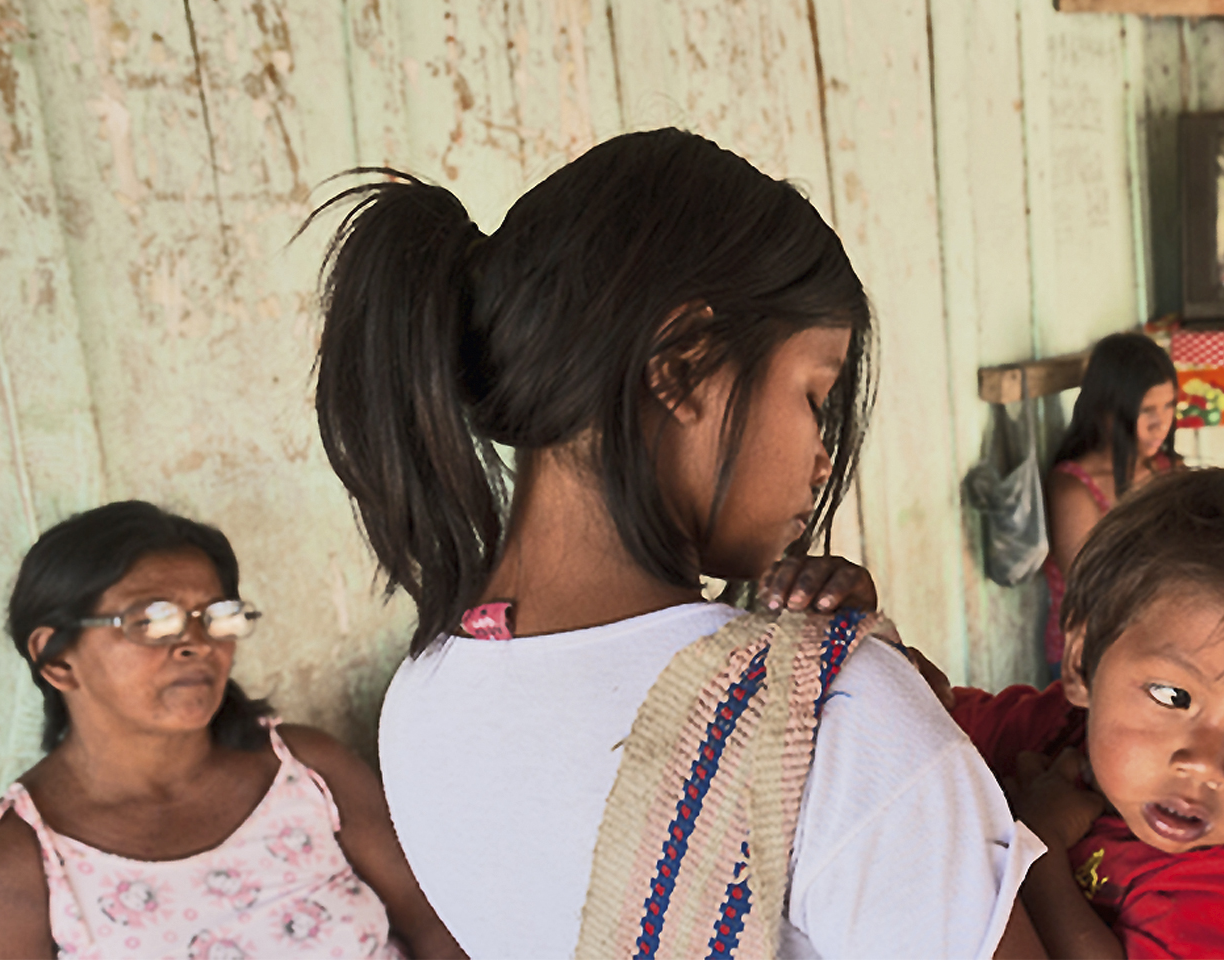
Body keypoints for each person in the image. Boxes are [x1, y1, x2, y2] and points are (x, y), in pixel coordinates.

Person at [309, 129, 1042, 958]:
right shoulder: (827, 718)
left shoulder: (424, 697)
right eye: (813, 394)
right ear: (683, 366)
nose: (823, 458)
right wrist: (917, 748)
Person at [0, 501, 460, 959]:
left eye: (217, 616)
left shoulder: (307, 771)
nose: (197, 643)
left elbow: (440, 927)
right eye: (152, 621)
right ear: (56, 658)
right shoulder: (14, 864)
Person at [924, 468, 1224, 958]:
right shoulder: (1062, 729)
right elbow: (936, 725)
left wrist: (1038, 844)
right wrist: (890, 665)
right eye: (1172, 696)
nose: (1207, 763)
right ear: (1081, 664)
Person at [1043, 333, 1182, 663]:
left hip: (1160, 646)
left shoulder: (1170, 473)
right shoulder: (1073, 489)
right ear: (1106, 411)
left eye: (1169, 405)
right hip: (1089, 656)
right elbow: (1092, 592)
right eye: (1146, 410)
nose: (1160, 424)